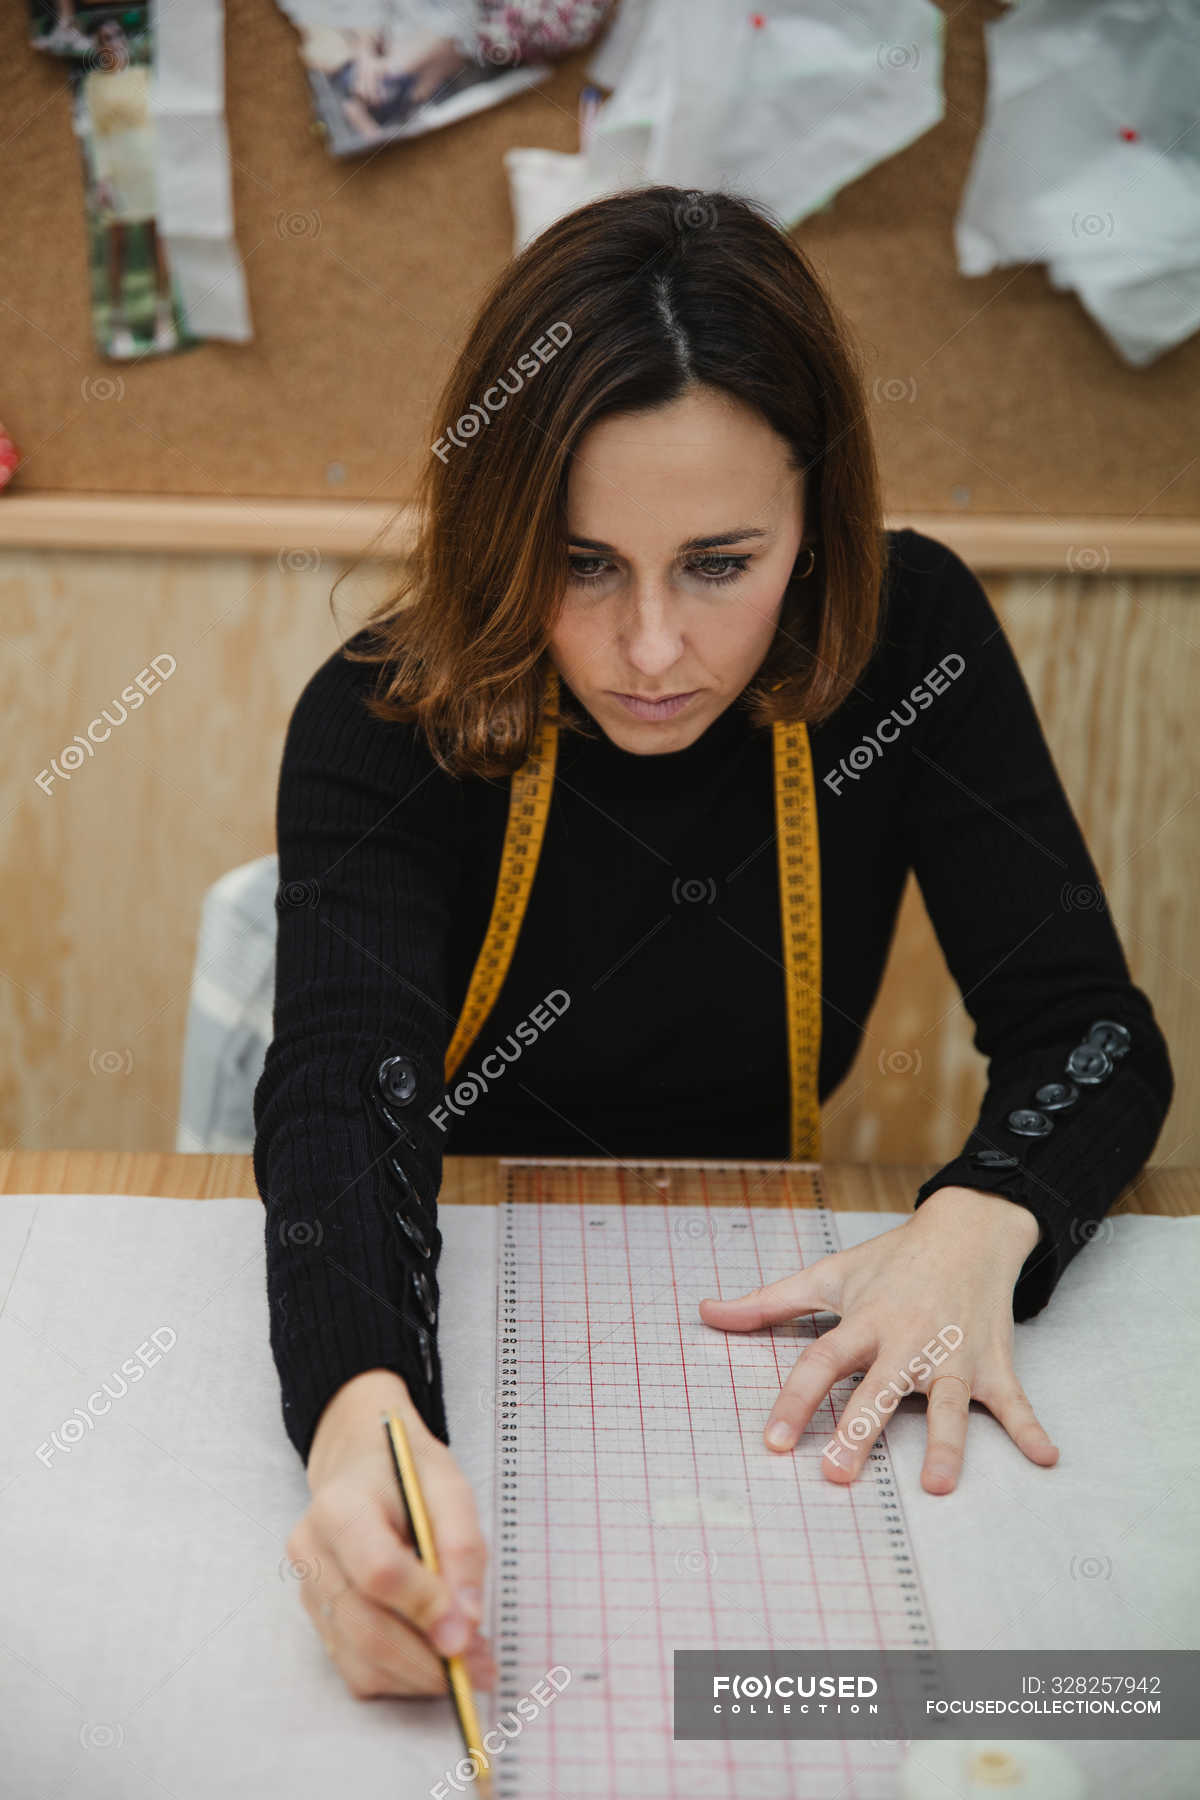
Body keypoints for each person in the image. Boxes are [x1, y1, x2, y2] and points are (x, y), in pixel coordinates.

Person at [253, 185, 1173, 1700]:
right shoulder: (385, 710)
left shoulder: (911, 643)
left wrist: (982, 1216)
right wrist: (363, 1418)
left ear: (816, 522)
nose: (654, 651)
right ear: (495, 530)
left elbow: (1094, 1034)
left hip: (758, 1310)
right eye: (584, 562)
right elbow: (347, 1084)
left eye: (721, 563)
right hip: (452, 1248)